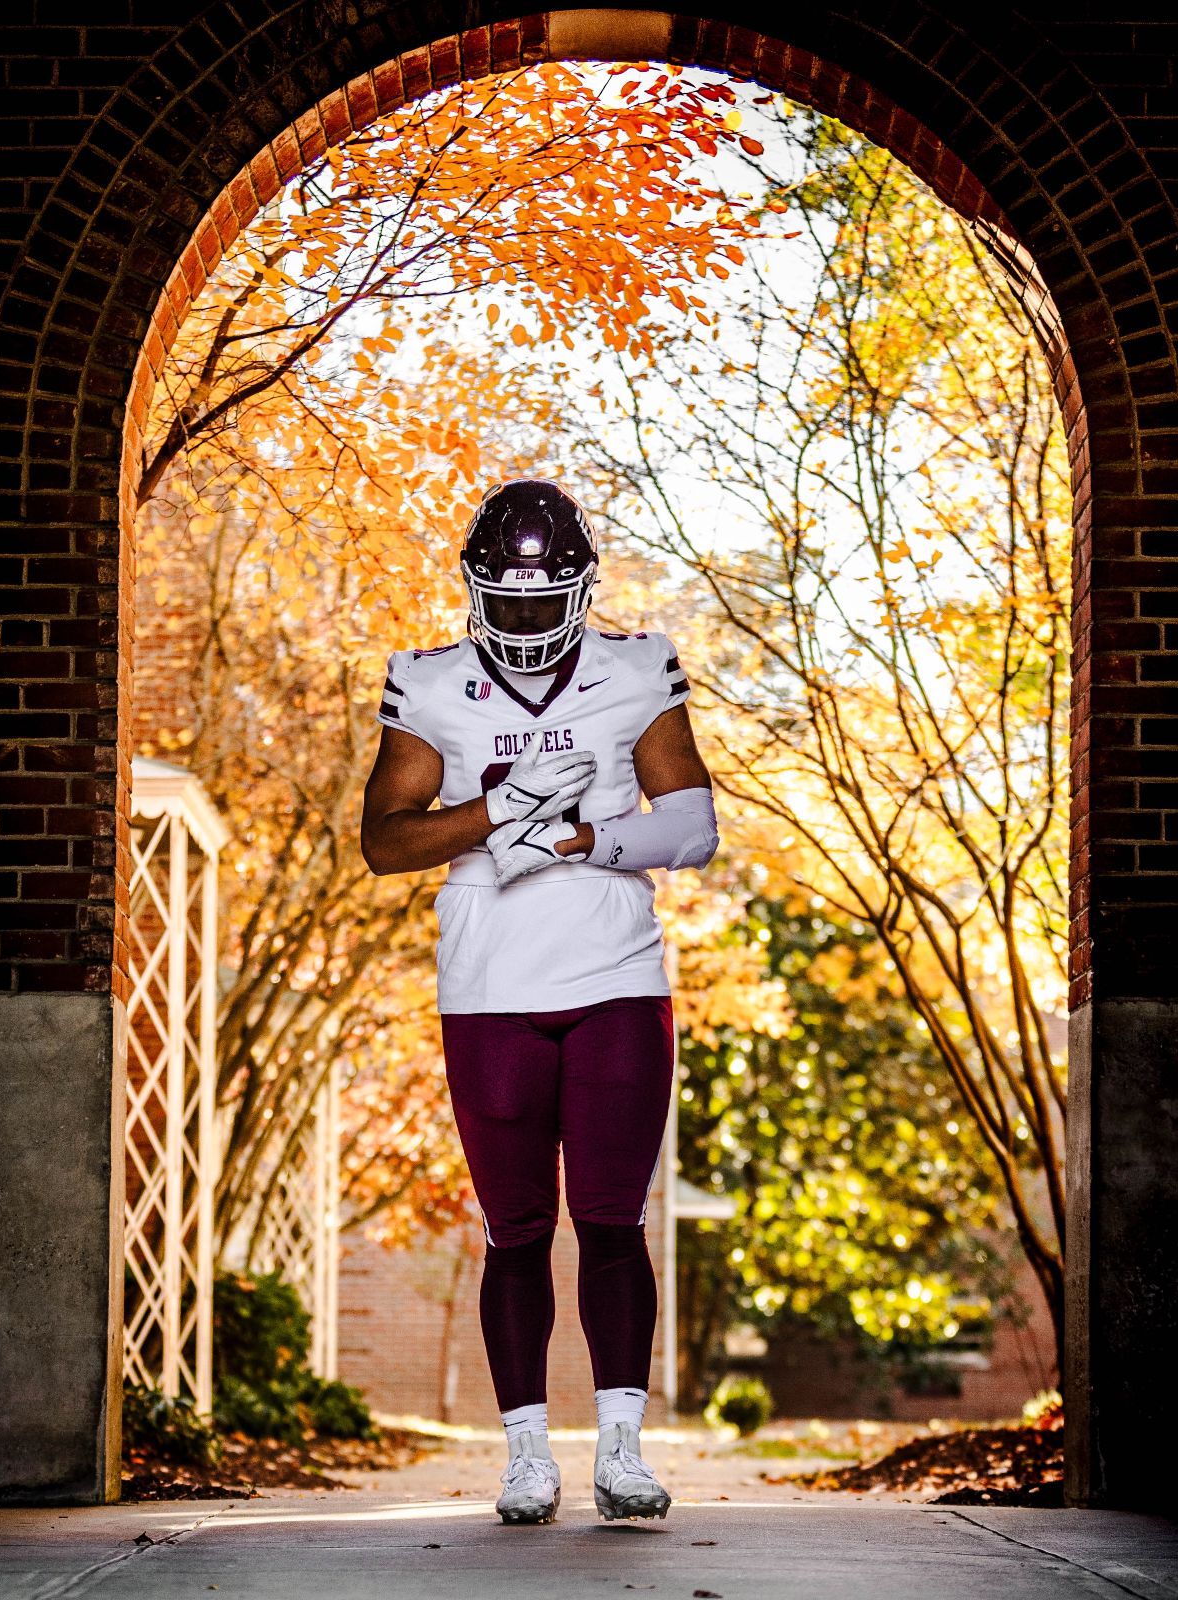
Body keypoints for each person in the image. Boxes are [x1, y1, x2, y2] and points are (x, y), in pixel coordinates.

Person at [361, 479, 719, 1524]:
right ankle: (526, 1456)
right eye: (506, 598)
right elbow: (383, 841)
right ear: (475, 589)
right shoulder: (428, 681)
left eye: (542, 598)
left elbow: (692, 826)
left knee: (612, 1220)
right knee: (514, 1228)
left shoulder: (634, 667)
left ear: (581, 589)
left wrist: (579, 838)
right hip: (488, 983)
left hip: (615, 974)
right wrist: (493, 810)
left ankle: (620, 1450)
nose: (523, 616)